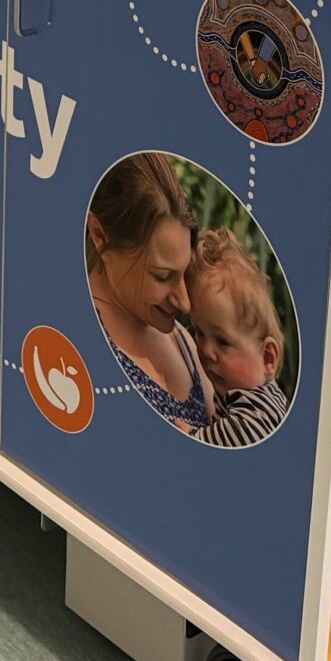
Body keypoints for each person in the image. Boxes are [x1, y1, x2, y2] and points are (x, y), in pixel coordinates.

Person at [85, 153, 213, 433]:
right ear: (99, 235)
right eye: (163, 276)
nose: (185, 303)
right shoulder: (80, 343)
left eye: (184, 273)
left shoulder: (183, 339)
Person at [185, 229, 289, 449]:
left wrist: (185, 432)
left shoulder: (256, 417)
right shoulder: (250, 396)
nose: (206, 350)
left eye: (222, 341)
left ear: (267, 358)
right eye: (199, 332)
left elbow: (195, 448)